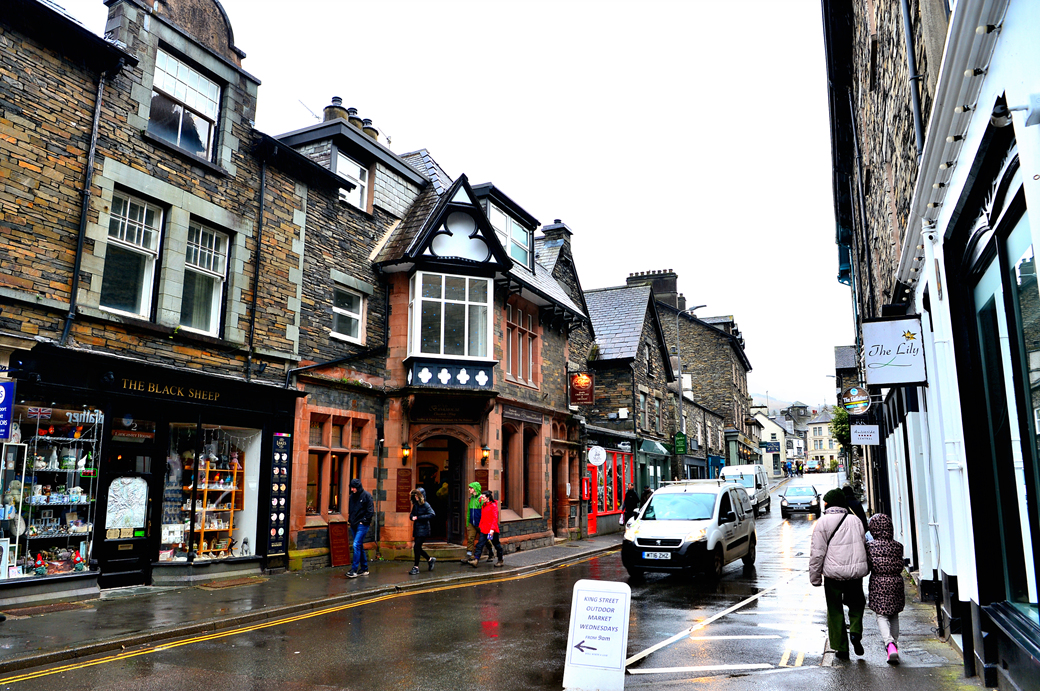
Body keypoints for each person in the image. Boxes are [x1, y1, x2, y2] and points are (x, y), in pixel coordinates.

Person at [809, 488, 869, 660]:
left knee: (834, 610)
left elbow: (817, 553)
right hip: (854, 574)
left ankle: (841, 648)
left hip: (833, 575)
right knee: (857, 603)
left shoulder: (822, 522)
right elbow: (863, 544)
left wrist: (815, 577)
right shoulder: (855, 520)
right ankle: (855, 632)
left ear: (828, 504)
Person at [866, 513, 905, 664]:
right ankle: (894, 646)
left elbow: (868, 566)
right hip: (896, 582)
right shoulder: (898, 546)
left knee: (881, 615)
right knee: (894, 615)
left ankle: (889, 644)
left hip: (878, 582)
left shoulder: (870, 546)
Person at [345, 478, 374, 578]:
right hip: (354, 524)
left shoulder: (366, 496)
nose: (352, 489)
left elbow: (370, 510)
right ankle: (364, 568)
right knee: (359, 545)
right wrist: (351, 520)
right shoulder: (352, 497)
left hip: (362, 524)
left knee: (356, 545)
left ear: (358, 487)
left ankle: (354, 570)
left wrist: (364, 520)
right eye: (351, 487)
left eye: (354, 488)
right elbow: (351, 509)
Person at [468, 490, 503, 568]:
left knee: (497, 545)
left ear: (488, 498)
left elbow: (495, 519)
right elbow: (478, 499)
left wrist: (492, 529)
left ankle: (500, 560)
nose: (482, 498)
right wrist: (478, 495)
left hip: (492, 530)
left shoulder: (493, 506)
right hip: (484, 529)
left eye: (484, 497)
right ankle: (476, 560)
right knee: (479, 545)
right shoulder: (484, 504)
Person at [409, 487, 436, 575]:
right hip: (417, 528)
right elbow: (411, 514)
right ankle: (430, 559)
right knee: (418, 548)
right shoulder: (416, 505)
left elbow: (432, 514)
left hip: (424, 529)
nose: (416, 497)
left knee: (416, 547)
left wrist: (418, 517)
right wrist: (412, 517)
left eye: (417, 495)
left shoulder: (426, 505)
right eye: (415, 495)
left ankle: (416, 567)